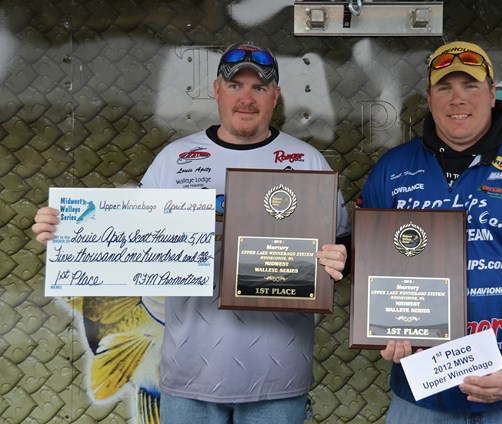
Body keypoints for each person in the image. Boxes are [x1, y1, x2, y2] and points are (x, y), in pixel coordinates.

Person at [32, 40, 351, 424]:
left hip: (278, 381)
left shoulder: (308, 161)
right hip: (188, 380)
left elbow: (342, 247)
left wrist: (341, 260)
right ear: (217, 90)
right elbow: (124, 236)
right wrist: (67, 229)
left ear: (275, 96)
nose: (246, 98)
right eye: (235, 85)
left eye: (259, 87)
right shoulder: (173, 159)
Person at [357, 41, 502, 423]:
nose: (457, 99)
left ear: (492, 93)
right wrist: (386, 327)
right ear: (429, 98)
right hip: (424, 393)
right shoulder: (392, 170)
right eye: (444, 87)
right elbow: (370, 263)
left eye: (470, 85)